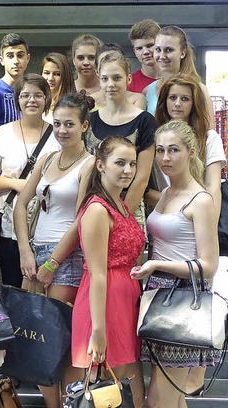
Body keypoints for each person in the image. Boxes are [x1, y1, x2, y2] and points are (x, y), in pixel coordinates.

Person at [131, 120, 221, 408]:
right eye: (160, 151)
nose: (165, 158)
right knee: (169, 396)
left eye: (173, 150)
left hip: (182, 300)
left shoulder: (201, 199)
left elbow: (208, 265)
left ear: (191, 153)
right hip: (158, 297)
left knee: (160, 400)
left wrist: (157, 266)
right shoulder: (166, 194)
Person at [13, 93, 93, 408]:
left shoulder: (90, 164)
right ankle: (52, 405)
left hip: (68, 256)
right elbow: (21, 205)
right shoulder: (47, 158)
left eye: (69, 124)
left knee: (61, 341)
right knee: (37, 338)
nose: (61, 130)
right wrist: (24, 250)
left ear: (84, 126)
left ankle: (69, 402)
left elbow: (81, 219)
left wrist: (53, 262)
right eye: (57, 123)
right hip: (36, 251)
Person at [73, 136, 146, 408]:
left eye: (132, 164)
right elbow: (97, 273)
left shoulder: (121, 204)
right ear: (101, 165)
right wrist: (98, 330)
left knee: (124, 385)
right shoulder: (97, 209)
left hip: (126, 297)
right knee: (105, 389)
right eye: (120, 163)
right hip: (104, 302)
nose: (127, 170)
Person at [0, 74, 59, 288]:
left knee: (46, 289)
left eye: (38, 95)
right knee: (13, 285)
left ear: (47, 99)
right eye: (25, 95)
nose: (31, 100)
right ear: (17, 100)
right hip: (9, 225)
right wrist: (15, 184)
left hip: (48, 224)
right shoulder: (2, 133)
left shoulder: (58, 134)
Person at [85, 51, 156, 221]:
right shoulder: (90, 120)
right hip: (93, 206)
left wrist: (120, 219)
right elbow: (86, 171)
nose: (111, 84)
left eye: (117, 78)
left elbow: (141, 178)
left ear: (128, 79)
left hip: (129, 208)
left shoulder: (145, 120)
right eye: (105, 79)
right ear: (99, 79)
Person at [152, 74, 226, 214]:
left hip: (199, 214)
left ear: (194, 103)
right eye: (172, 98)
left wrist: (210, 223)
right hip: (160, 216)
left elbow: (213, 188)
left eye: (185, 99)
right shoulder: (154, 137)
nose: (178, 103)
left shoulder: (209, 138)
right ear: (164, 101)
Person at [144, 25, 214, 126]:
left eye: (168, 50)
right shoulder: (147, 91)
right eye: (158, 49)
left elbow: (208, 132)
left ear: (183, 53)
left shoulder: (199, 90)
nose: (162, 56)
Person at [91, 44, 147, 110]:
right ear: (97, 72)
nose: (110, 64)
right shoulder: (89, 100)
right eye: (104, 61)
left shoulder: (137, 99)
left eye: (114, 59)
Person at [127, 19, 161, 94]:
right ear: (134, 51)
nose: (145, 52)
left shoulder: (176, 78)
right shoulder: (129, 84)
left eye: (150, 45)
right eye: (139, 48)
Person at [41, 52, 76, 118]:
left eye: (57, 74)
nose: (51, 78)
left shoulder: (73, 105)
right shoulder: (35, 100)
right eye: (47, 73)